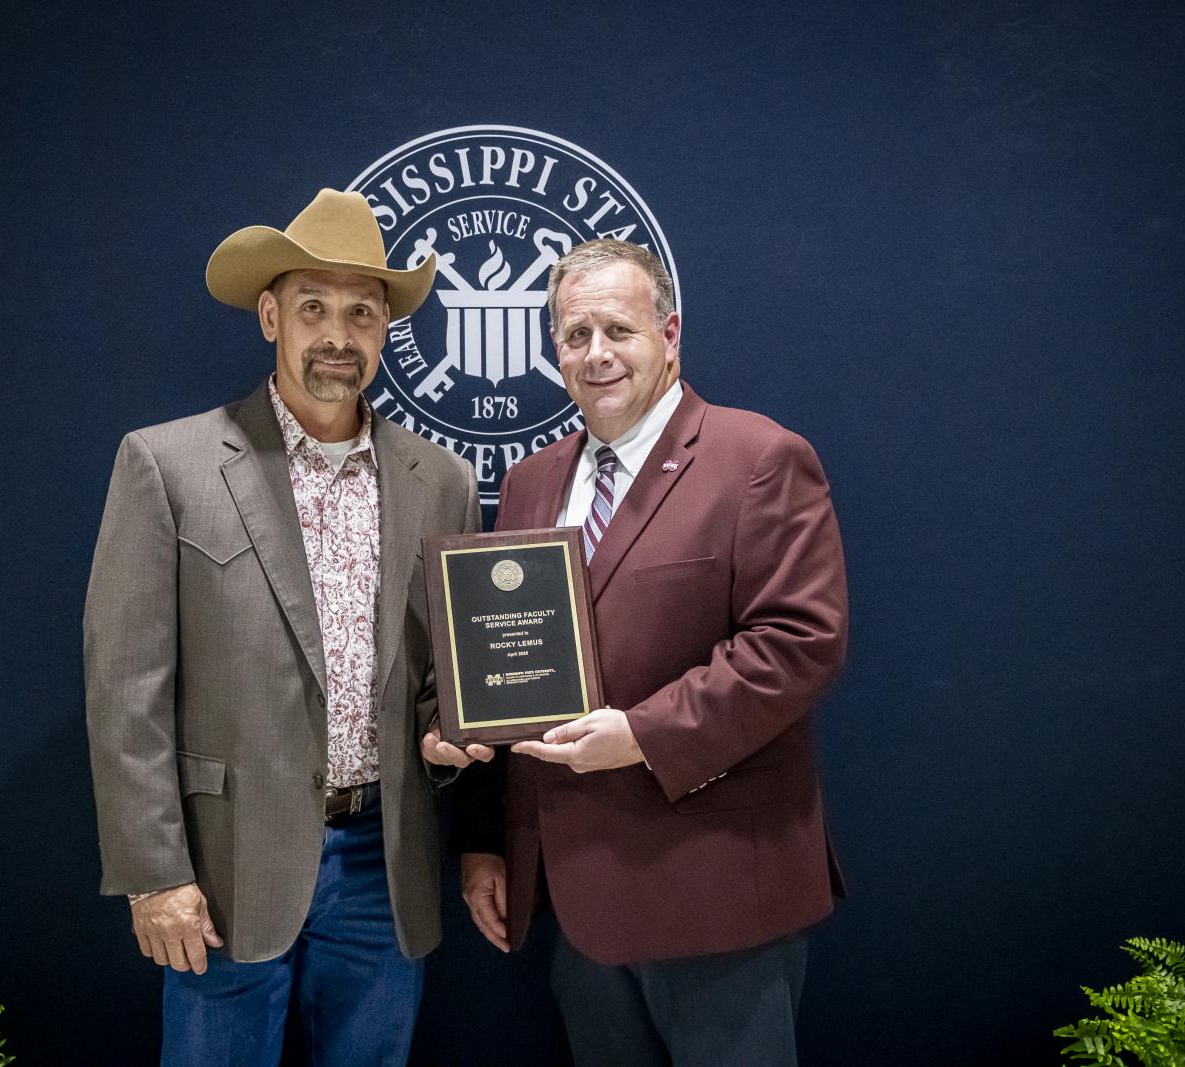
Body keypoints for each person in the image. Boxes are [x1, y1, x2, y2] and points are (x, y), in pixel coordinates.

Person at [84, 188, 488, 1067]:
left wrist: (449, 730)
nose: (338, 333)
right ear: (270, 315)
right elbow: (125, 692)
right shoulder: (169, 464)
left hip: (386, 863)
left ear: (386, 329)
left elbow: (434, 676)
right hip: (227, 868)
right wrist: (156, 873)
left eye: (361, 311)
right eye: (314, 307)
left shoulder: (442, 480)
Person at [453, 238, 849, 1066]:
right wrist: (488, 837)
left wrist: (640, 734)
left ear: (670, 335)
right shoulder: (529, 482)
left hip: (717, 899)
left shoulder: (758, 459)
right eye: (574, 335)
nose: (596, 354)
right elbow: (502, 672)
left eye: (619, 331)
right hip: (576, 901)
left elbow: (797, 643)